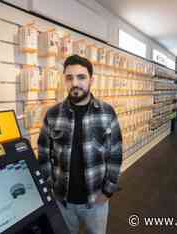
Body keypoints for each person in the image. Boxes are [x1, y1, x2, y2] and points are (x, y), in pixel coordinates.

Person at [37, 54, 123, 234]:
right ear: (64, 81)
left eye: (81, 77)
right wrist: (50, 184)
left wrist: (107, 191)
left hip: (96, 200)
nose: (75, 83)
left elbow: (115, 154)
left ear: (91, 80)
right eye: (69, 78)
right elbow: (44, 153)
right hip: (63, 201)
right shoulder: (52, 114)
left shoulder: (107, 113)